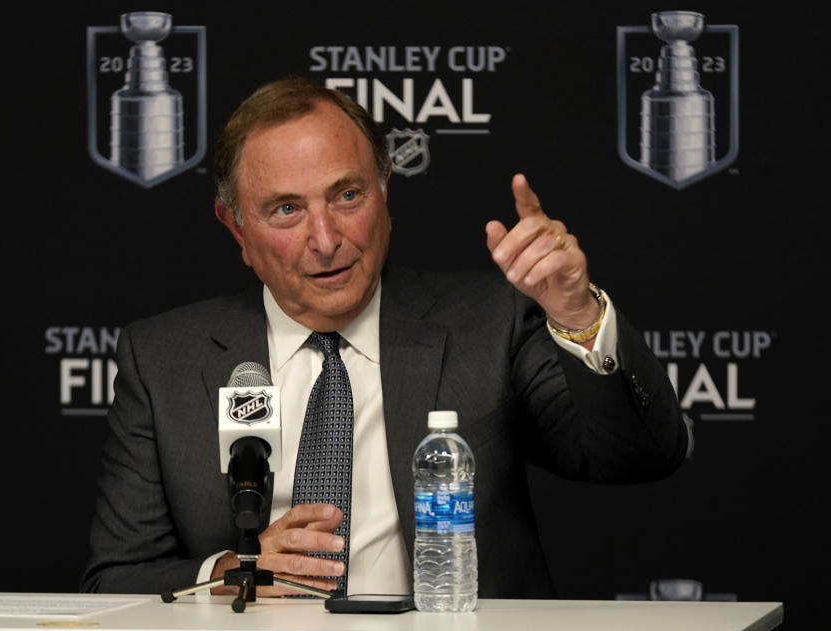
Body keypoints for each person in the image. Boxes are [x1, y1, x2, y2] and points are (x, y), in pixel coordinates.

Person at [80, 77, 689, 599]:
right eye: (287, 210)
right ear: (235, 227)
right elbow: (116, 579)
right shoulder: (162, 359)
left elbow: (640, 456)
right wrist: (234, 574)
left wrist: (577, 311)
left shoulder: (487, 324)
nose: (325, 238)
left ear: (384, 188)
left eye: (347, 195)